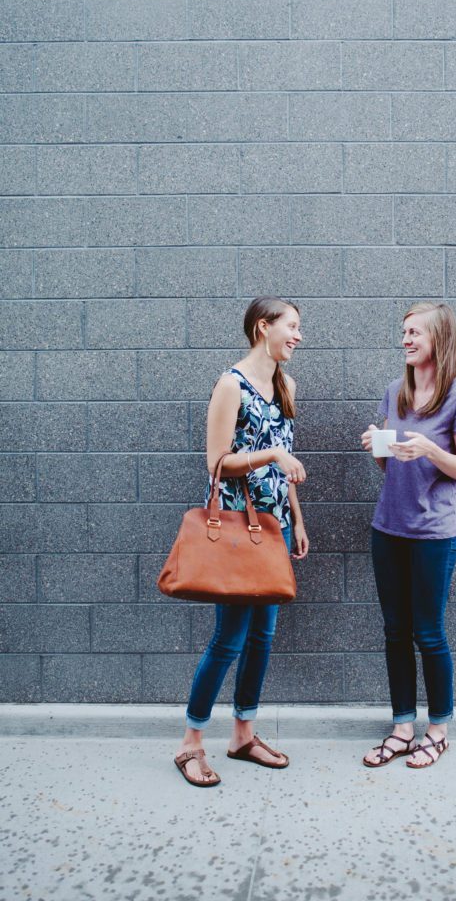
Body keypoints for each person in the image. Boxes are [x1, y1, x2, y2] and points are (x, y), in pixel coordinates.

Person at [174, 296, 310, 787]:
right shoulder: (230, 384)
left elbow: (287, 460)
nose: (297, 336)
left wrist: (297, 519)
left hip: (271, 530)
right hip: (235, 528)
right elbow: (216, 462)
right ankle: (190, 743)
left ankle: (242, 735)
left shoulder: (285, 384)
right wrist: (269, 453)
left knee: (263, 638)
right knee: (228, 638)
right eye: (291, 326)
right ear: (262, 328)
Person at [361, 302, 456, 770]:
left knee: (429, 633)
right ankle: (402, 727)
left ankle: (438, 730)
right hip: (387, 528)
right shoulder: (395, 392)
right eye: (403, 332)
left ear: (439, 340)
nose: (406, 339)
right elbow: (389, 468)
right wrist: (380, 445)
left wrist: (430, 448)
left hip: (433, 534)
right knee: (395, 632)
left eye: (415, 333)